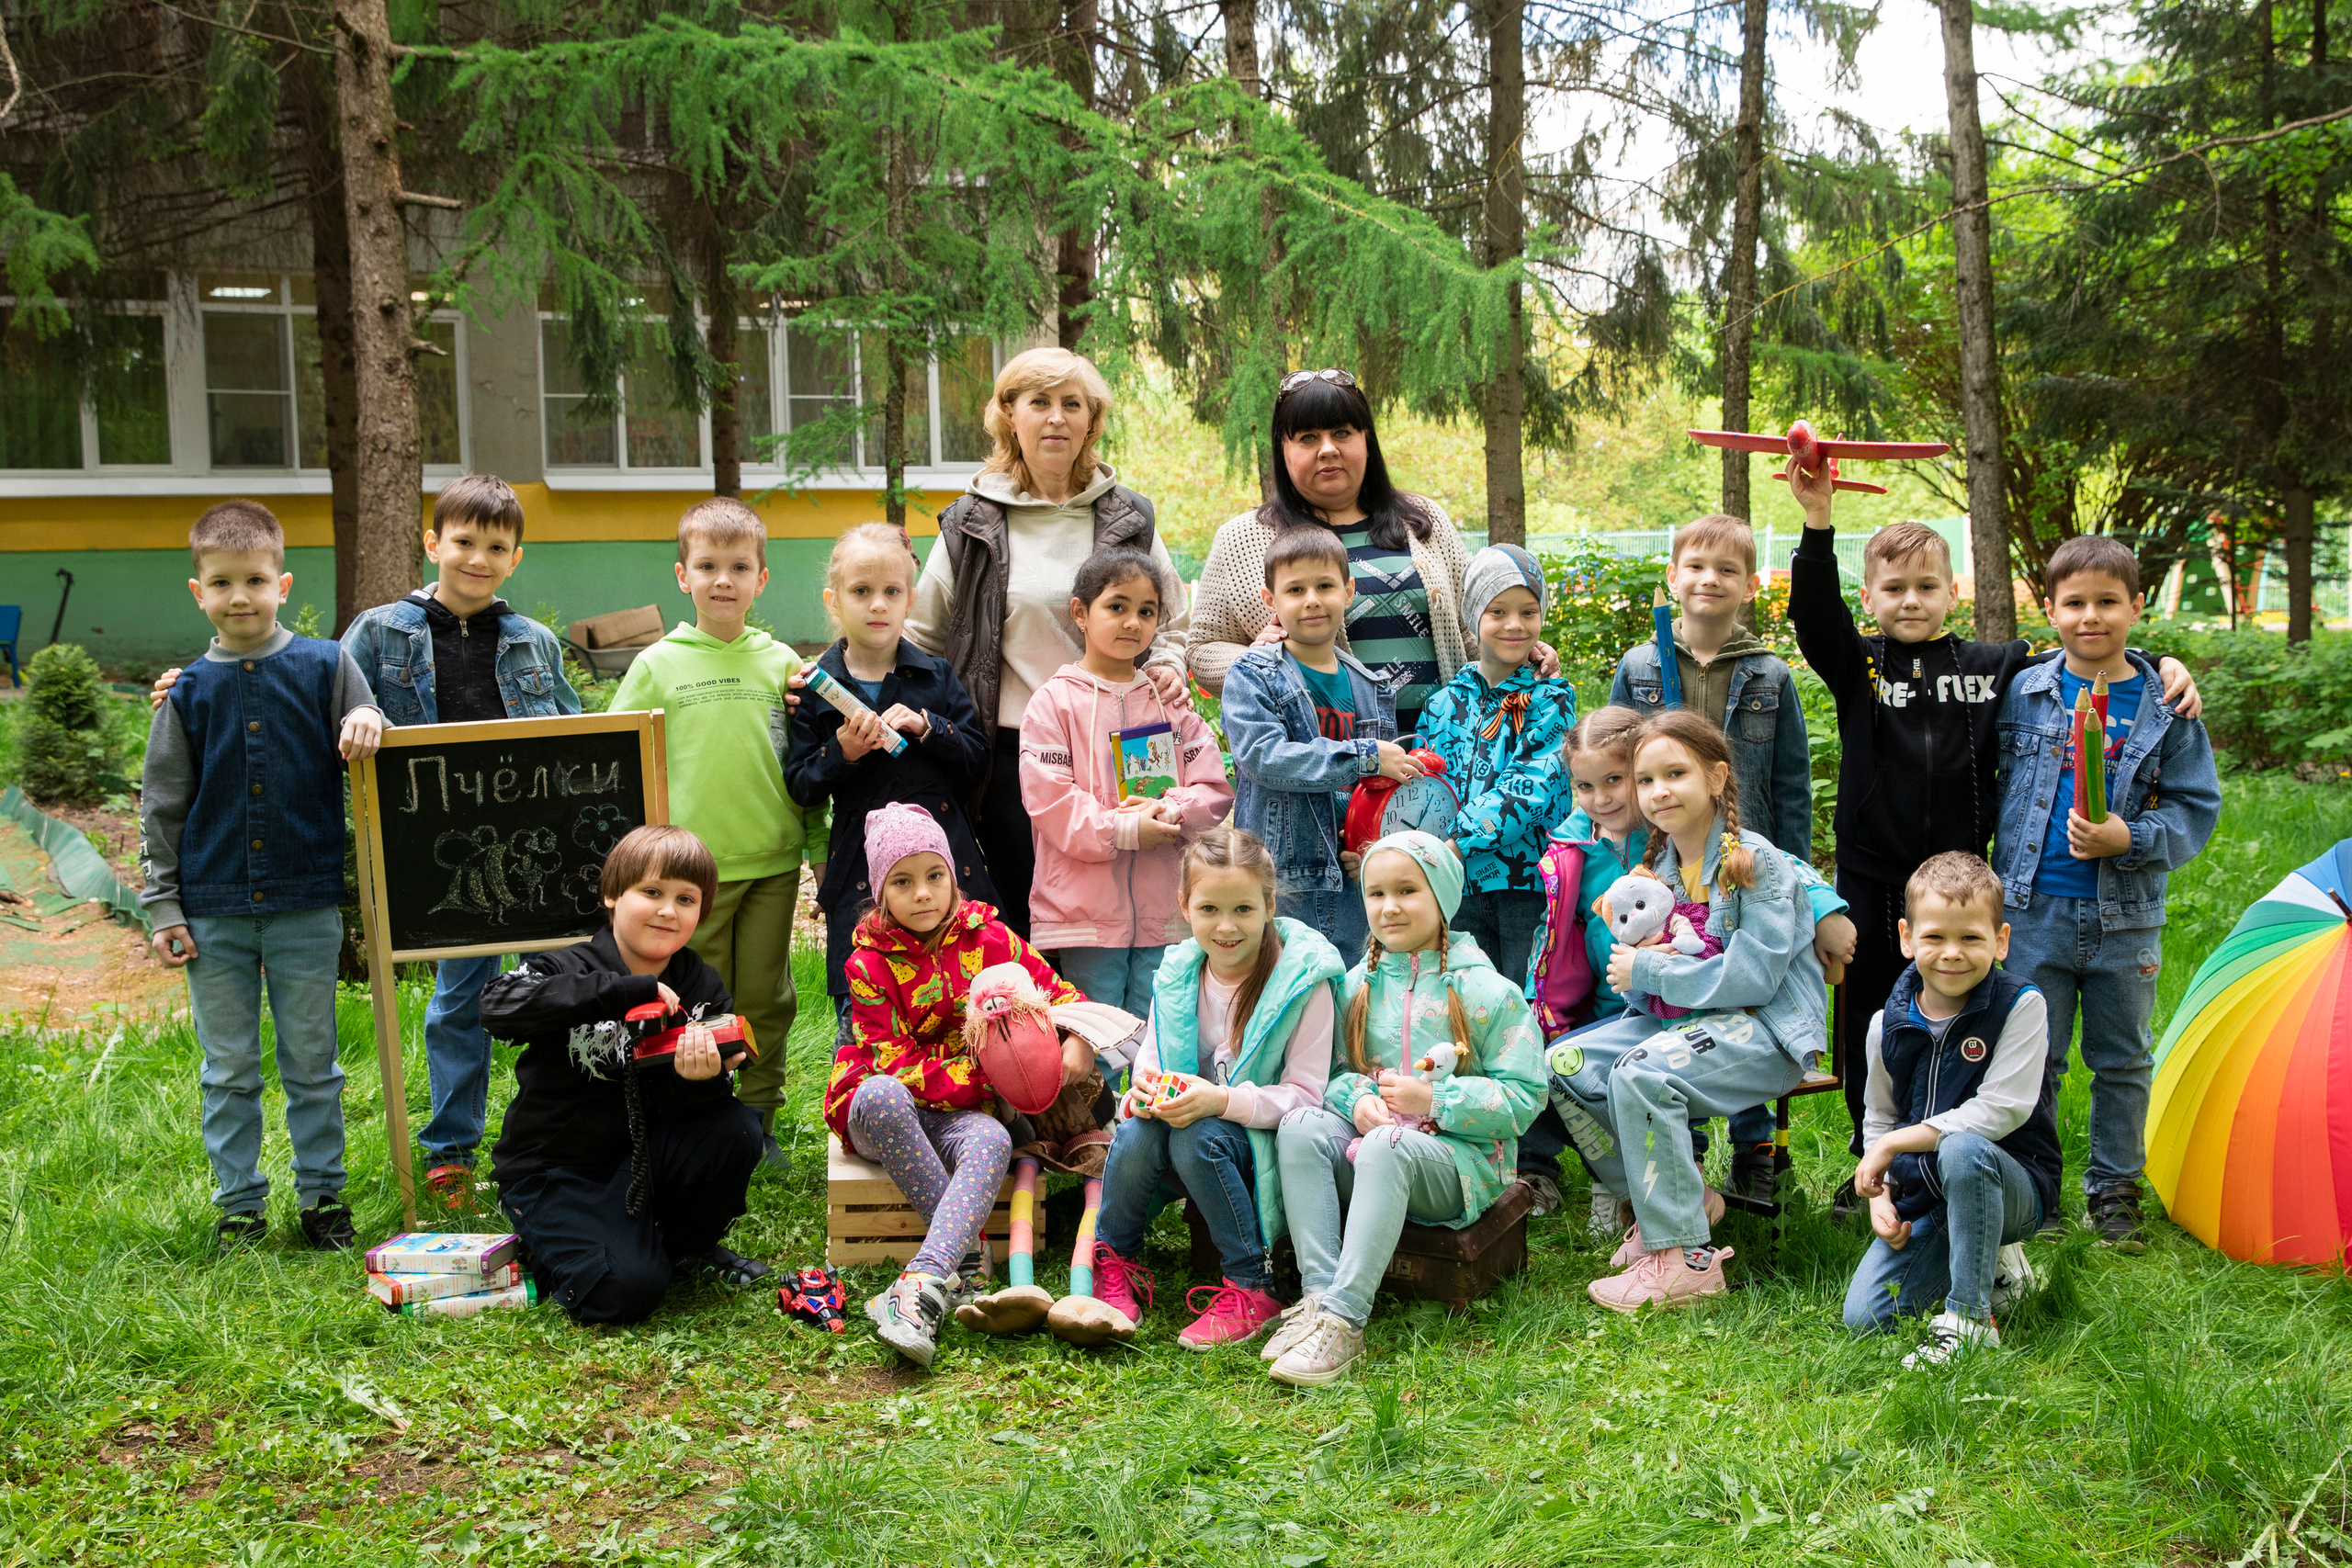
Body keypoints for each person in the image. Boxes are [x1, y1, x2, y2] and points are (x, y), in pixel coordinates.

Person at [146, 478, 581, 1211]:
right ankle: (450, 1150)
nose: (478, 557)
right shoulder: (379, 633)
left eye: (496, 547)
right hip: (444, 861)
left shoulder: (532, 641)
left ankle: (563, 1142)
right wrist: (189, 686)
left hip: (538, 855)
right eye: (463, 542)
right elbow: (320, 696)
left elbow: (572, 737)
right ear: (432, 542)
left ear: (515, 556)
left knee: (564, 995)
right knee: (459, 1003)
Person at [1787, 473, 2203, 1212]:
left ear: (1954, 593)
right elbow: (1815, 620)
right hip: (1874, 875)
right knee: (1873, 1021)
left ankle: (1978, 1160)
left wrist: (2165, 665)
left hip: (1962, 881)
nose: (1910, 601)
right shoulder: (1862, 666)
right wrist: (1818, 520)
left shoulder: (1997, 668)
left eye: (1926, 586)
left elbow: (2093, 647)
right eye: (1893, 589)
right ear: (1871, 599)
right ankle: (1872, 1158)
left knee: (1968, 1016)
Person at [140, 501, 384, 1255]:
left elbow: (371, 728)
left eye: (254, 579)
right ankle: (239, 1205)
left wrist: (371, 718)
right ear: (198, 591)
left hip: (304, 905)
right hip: (211, 912)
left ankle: (323, 1199)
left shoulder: (327, 665)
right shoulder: (184, 695)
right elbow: (163, 803)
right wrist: (162, 906)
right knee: (229, 1068)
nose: (239, 596)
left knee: (313, 1065)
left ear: (282, 582)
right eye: (222, 582)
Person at [1524, 706, 1856, 1222]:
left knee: (1636, 1072)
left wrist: (1650, 971)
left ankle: (1680, 1253)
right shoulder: (1658, 867)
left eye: (1674, 774)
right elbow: (1641, 984)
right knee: (1560, 1067)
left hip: (1764, 1029)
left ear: (1716, 777)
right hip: (1677, 1020)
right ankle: (1670, 1193)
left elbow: (1754, 980)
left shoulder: (1753, 860)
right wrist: (1635, 970)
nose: (1658, 790)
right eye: (1646, 779)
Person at [905, 347, 1190, 942]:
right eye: (1039, 403)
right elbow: (921, 635)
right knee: (1040, 914)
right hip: (1019, 753)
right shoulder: (972, 522)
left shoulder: (1128, 516)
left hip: (1129, 740)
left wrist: (1165, 664)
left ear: (1092, 421)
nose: (1056, 418)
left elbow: (1173, 622)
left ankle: (1128, 1032)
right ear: (1011, 415)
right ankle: (1049, 1031)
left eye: (1072, 404)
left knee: (1135, 906)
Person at [1992, 535, 2221, 1252]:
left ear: (2137, 606)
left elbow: (2195, 804)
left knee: (2122, 1058)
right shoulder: (2023, 691)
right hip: (2032, 912)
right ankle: (2039, 1184)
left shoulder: (2165, 705)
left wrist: (2134, 837)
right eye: (2075, 603)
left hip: (2126, 918)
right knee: (2038, 1055)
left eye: (2108, 602)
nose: (2092, 617)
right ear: (2050, 610)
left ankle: (2116, 1190)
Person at [1268, 831, 1544, 1386]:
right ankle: (1318, 1299)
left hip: (1461, 1169)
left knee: (1387, 1145)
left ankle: (1346, 1321)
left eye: (1407, 891)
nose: (1389, 906)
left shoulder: (1488, 992)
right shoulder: (1354, 988)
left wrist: (1437, 1101)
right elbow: (1328, 1075)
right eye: (1375, 893)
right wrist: (1360, 1098)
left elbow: (1524, 1097)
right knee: (1300, 1125)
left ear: (1441, 897)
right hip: (1373, 1151)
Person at [825, 804, 1087, 1367]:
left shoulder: (992, 940)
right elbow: (894, 1063)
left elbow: (1061, 995)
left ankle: (920, 1285)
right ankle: (969, 1255)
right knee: (881, 1095)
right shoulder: (868, 964)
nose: (923, 894)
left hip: (956, 1113)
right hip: (886, 1106)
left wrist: (1077, 1040)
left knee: (991, 1140)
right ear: (880, 891)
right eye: (902, 881)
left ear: (952, 875)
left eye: (934, 876)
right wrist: (989, 1075)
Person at [480, 826, 771, 1325]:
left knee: (737, 1128)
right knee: (626, 1292)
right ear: (613, 895)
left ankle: (684, 1249)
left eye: (686, 899)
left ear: (701, 912)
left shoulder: (701, 983)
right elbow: (496, 1005)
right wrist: (622, 991)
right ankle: (560, 1245)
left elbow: (704, 1111)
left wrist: (698, 1081)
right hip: (557, 1169)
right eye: (651, 892)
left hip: (644, 1163)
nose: (667, 910)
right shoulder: (564, 965)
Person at [1608, 511, 1817, 1196]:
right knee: (1678, 982)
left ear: (1750, 586)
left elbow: (1790, 787)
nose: (1709, 579)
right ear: (1673, 577)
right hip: (1667, 863)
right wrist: (1633, 862)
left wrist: (1799, 882)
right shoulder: (1640, 667)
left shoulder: (1767, 674)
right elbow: (1619, 768)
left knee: (1739, 995)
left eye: (1727, 569)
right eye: (1695, 566)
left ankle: (1757, 1148)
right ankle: (1683, 1152)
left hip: (1743, 868)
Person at [613, 499, 824, 1157]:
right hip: (687, 875)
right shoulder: (657, 664)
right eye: (708, 566)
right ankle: (698, 1110)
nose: (723, 579)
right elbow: (617, 755)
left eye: (739, 566)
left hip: (771, 860)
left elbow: (807, 759)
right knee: (696, 998)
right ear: (683, 576)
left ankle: (758, 1113)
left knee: (764, 992)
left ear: (762, 578)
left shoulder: (782, 662)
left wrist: (820, 847)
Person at [1187, 367, 1554, 737]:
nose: (1328, 449)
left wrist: (1523, 650)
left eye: (1342, 432)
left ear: (1367, 440)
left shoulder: (1424, 520)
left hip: (1447, 752)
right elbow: (1202, 651)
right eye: (1308, 437)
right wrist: (1260, 661)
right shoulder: (1242, 539)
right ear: (1283, 450)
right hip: (1327, 764)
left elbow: (1473, 625)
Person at [1089, 828, 1347, 1349]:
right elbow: (1152, 1064)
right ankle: (1115, 1261)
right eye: (1209, 909)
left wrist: (1220, 1101)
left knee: (1197, 1135)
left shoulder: (1302, 982)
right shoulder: (1181, 974)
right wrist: (1143, 1094)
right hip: (1192, 1126)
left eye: (1244, 910)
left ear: (1269, 905)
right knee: (1138, 1131)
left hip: (1261, 1142)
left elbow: (1306, 1095)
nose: (1226, 927)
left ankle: (1253, 1285)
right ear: (1185, 906)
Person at [1843, 852, 2056, 1367]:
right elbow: (1879, 1116)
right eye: (1935, 937)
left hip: (2014, 1185)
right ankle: (1996, 1265)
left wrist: (1896, 1144)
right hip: (1927, 1192)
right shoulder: (1885, 1025)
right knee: (1868, 1318)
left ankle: (1969, 1320)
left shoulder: (2021, 1006)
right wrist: (1881, 1194)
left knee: (1963, 1148)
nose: (1952, 954)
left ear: (2000, 940)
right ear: (1906, 936)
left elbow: (2000, 1111)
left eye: (1971, 939)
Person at [786, 523, 993, 1021]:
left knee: (961, 993)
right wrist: (840, 752)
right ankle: (867, 1094)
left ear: (911, 600)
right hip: (862, 872)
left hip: (942, 862)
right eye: (861, 591)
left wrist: (930, 727)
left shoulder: (936, 676)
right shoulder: (816, 686)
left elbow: (976, 760)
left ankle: (962, 1092)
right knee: (866, 1002)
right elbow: (800, 786)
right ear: (833, 601)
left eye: (891, 592)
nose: (877, 604)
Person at [1020, 547, 1234, 1015]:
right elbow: (1050, 800)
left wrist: (1174, 810)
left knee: (1160, 1027)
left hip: (1166, 908)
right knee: (1097, 1032)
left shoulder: (1170, 702)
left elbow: (1213, 788)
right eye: (1117, 606)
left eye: (1146, 611)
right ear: (1081, 612)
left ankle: (1149, 1093)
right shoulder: (1052, 704)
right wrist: (1122, 830)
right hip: (1086, 911)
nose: (1133, 622)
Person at [1218, 526, 1419, 958]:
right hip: (1283, 880)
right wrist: (1365, 757)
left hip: (1353, 879)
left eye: (1325, 585)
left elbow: (1379, 795)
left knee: (1351, 1002)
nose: (1312, 599)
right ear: (1270, 601)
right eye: (1295, 589)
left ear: (1348, 591)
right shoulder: (1252, 676)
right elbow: (1264, 758)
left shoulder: (1370, 686)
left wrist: (1370, 847)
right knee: (1286, 999)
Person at [1416, 543, 1577, 990]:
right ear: (1474, 619)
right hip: (1457, 885)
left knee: (1527, 1000)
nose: (1514, 625)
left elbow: (1530, 787)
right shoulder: (1443, 704)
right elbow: (1427, 791)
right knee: (1469, 998)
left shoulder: (1551, 700)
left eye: (1529, 612)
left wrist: (1455, 843)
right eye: (1498, 611)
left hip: (1528, 882)